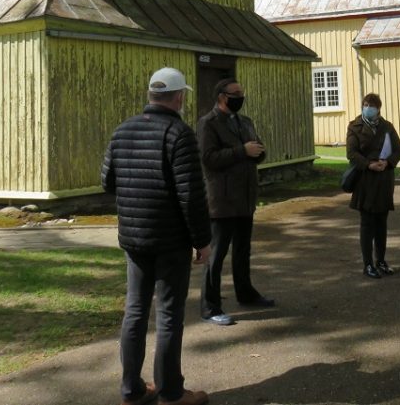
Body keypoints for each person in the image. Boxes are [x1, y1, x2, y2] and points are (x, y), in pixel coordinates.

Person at [102, 67, 213, 405]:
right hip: (170, 242)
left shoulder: (122, 131)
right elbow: (191, 195)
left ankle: (132, 390)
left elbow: (107, 181)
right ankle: (170, 392)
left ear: (151, 94)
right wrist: (202, 240)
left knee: (135, 310)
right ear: (179, 97)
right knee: (168, 315)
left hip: (134, 239)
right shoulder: (179, 134)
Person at [198, 78, 273, 325]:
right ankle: (210, 306)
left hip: (245, 196)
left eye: (242, 92)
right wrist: (243, 151)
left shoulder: (245, 121)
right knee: (217, 254)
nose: (240, 97)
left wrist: (258, 152)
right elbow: (208, 158)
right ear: (222, 97)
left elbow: (257, 149)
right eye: (235, 93)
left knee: (243, 250)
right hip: (222, 200)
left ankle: (246, 292)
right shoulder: (208, 124)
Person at [346, 93, 400, 279]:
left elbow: (398, 150)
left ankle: (381, 261)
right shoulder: (354, 126)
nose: (368, 108)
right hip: (365, 180)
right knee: (367, 223)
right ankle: (368, 264)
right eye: (365, 105)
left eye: (372, 105)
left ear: (379, 108)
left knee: (381, 223)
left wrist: (388, 163)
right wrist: (369, 164)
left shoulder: (387, 127)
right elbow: (351, 153)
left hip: (384, 179)